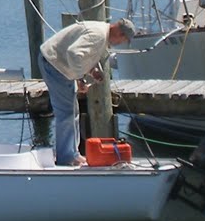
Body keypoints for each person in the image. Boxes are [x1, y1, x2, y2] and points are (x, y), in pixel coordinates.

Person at [38, 17, 135, 166]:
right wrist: (80, 79)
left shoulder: (101, 33)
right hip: (54, 63)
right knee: (66, 112)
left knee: (73, 111)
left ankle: (73, 153)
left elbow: (83, 55)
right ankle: (65, 158)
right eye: (124, 40)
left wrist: (92, 70)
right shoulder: (98, 35)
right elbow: (73, 53)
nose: (120, 43)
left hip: (59, 64)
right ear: (120, 34)